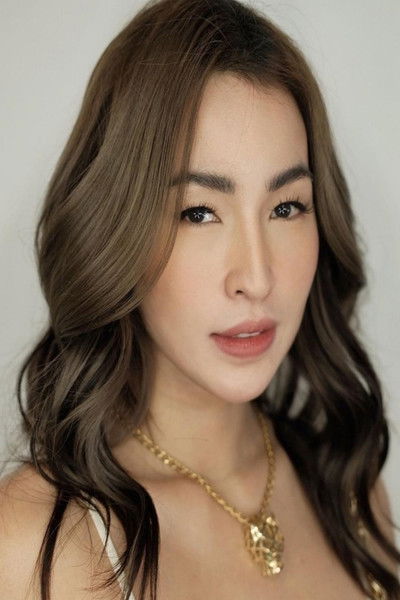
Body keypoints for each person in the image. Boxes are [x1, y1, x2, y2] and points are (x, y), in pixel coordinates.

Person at [0, 0, 399, 598]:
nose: (256, 277)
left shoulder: (348, 488)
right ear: (116, 231)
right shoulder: (42, 543)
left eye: (287, 207)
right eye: (198, 212)